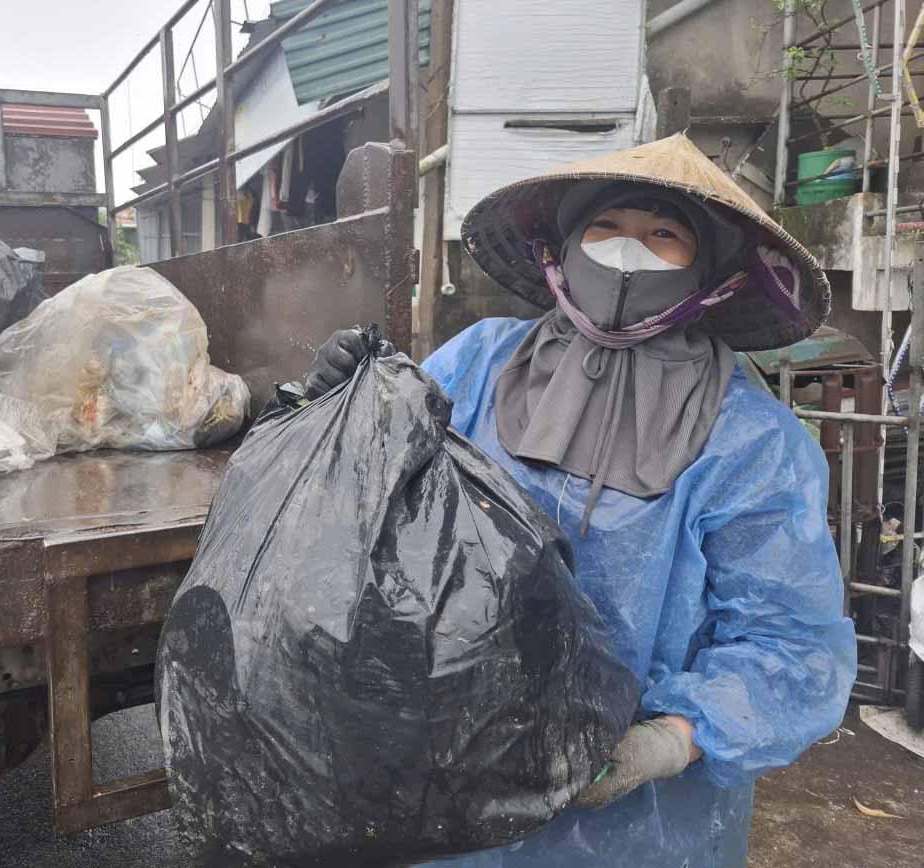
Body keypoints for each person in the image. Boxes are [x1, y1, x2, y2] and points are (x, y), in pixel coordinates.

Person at [303, 134, 856, 868]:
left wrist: (667, 742)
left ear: (712, 274)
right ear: (560, 249)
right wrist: (339, 398)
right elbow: (377, 482)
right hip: (447, 761)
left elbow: (791, 645)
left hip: (639, 828)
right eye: (607, 228)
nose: (628, 252)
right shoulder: (481, 359)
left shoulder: (750, 439)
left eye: (664, 235)